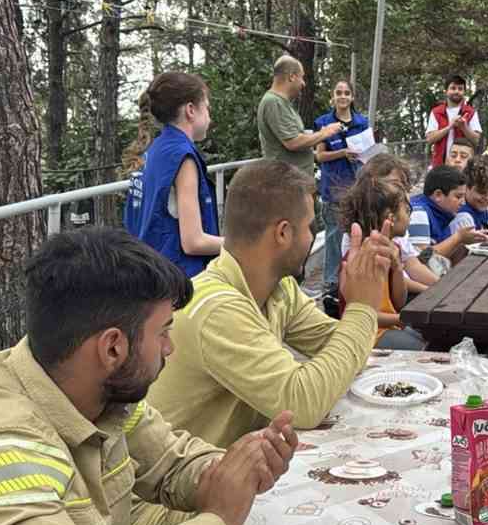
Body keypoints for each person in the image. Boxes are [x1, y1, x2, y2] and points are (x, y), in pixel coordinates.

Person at [0, 227, 296, 525]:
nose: (169, 348)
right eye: (163, 333)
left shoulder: (94, 391)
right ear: (112, 349)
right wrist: (218, 523)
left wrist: (241, 469)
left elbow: (169, 464)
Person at [145, 159, 394, 446]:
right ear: (283, 233)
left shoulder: (279, 288)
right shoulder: (216, 309)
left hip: (238, 466)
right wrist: (362, 306)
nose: (313, 237)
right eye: (310, 227)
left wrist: (364, 282)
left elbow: (340, 349)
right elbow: (303, 404)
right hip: (186, 485)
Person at [123, 72, 222, 277]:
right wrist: (240, 246)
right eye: (207, 108)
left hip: (151, 272)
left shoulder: (155, 149)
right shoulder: (183, 157)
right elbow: (193, 242)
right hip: (179, 281)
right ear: (191, 110)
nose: (210, 117)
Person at [338, 180, 426, 351]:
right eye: (407, 211)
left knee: (433, 337)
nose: (409, 218)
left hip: (390, 327)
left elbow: (398, 302)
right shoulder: (358, 260)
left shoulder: (394, 250)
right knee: (423, 348)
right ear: (390, 218)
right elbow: (363, 316)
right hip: (367, 335)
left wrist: (397, 268)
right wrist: (402, 319)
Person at [340, 154, 439, 295]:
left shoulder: (398, 236)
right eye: (395, 184)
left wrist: (441, 287)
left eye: (404, 186)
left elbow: (412, 265)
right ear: (371, 186)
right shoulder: (358, 236)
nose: (402, 192)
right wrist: (430, 292)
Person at [313, 78, 368, 306]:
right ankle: (330, 287)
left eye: (347, 93)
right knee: (334, 238)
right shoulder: (324, 123)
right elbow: (319, 156)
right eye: (339, 92)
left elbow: (368, 153)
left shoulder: (362, 123)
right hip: (333, 189)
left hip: (356, 188)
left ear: (352, 97)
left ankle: (357, 283)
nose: (343, 96)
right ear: (333, 97)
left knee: (359, 235)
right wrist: (343, 153)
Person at [257, 56, 343, 177]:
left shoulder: (283, 103)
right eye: (301, 77)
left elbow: (295, 136)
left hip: (297, 182)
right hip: (286, 182)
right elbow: (293, 142)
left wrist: (318, 134)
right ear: (292, 77)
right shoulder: (273, 102)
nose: (303, 83)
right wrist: (325, 133)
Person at [408, 165, 487, 257]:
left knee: (464, 218)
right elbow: (421, 259)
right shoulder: (418, 213)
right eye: (458, 197)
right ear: (438, 195)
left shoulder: (442, 210)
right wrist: (458, 238)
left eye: (463, 197)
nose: (463, 203)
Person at [425, 75, 482, 168]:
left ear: (464, 92)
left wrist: (464, 127)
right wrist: (449, 126)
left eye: (460, 89)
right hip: (440, 166)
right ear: (446, 91)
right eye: (453, 88)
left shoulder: (470, 112)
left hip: (464, 166)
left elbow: (476, 140)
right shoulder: (436, 112)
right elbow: (430, 138)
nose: (457, 91)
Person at [451, 155, 488, 233]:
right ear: (466, 187)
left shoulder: (481, 208)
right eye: (481, 192)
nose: (487, 198)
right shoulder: (462, 217)